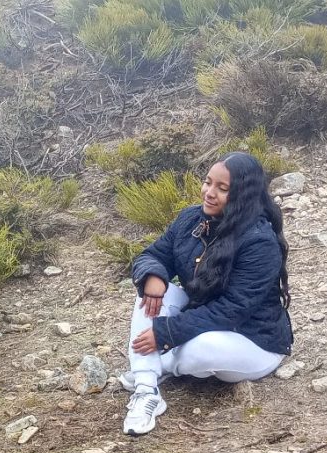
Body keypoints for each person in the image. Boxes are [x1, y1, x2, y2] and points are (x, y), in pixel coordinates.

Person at [121, 151, 293, 435]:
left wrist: (166, 332)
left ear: (243, 195)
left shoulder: (259, 242)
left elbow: (233, 309)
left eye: (222, 188)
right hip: (202, 319)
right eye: (208, 182)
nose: (209, 193)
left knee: (199, 349)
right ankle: (146, 388)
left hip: (253, 340)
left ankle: (156, 364)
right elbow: (153, 255)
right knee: (149, 298)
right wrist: (153, 277)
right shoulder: (191, 219)